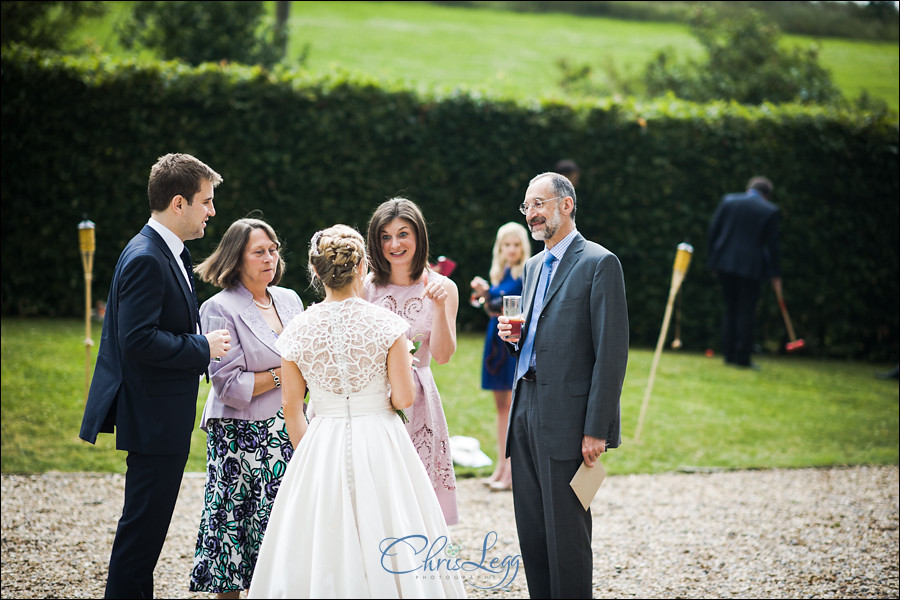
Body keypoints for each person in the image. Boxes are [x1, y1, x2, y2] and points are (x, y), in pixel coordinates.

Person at [247, 226, 466, 598]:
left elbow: (291, 406)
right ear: (363, 266)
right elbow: (403, 398)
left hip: (321, 438)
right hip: (380, 439)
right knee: (391, 524)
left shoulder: (297, 329)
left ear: (315, 272)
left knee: (320, 538)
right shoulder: (388, 325)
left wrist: (309, 457)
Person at [79, 153, 230, 599]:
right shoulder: (147, 256)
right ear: (178, 202)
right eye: (206, 201)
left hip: (161, 416)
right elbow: (138, 341)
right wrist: (203, 347)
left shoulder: (166, 250)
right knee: (141, 536)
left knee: (145, 533)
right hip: (153, 418)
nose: (212, 211)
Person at [497, 171, 629, 598]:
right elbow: (546, 335)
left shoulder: (600, 262)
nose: (532, 214)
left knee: (568, 535)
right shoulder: (533, 266)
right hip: (525, 407)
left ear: (566, 205)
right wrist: (517, 340)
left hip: (570, 420)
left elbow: (611, 354)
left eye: (539, 204)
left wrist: (597, 428)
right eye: (527, 206)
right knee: (533, 533)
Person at [188, 218, 304, 598]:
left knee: (283, 525)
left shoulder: (290, 299)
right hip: (239, 436)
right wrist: (284, 374)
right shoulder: (218, 307)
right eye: (259, 252)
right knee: (236, 531)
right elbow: (230, 384)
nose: (269, 258)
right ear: (237, 259)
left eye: (273, 250)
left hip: (287, 427)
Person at [364, 197, 460, 525]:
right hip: (376, 398)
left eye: (403, 234)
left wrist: (442, 308)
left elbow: (445, 356)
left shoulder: (443, 286)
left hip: (420, 399)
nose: (395, 244)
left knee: (419, 498)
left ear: (418, 236)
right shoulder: (365, 288)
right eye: (386, 236)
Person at [469, 221, 531, 492]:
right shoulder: (500, 273)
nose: (511, 249)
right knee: (500, 408)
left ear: (523, 247)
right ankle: (501, 465)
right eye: (507, 244)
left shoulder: (526, 273)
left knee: (513, 407)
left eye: (516, 244)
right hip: (494, 339)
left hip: (511, 342)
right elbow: (494, 307)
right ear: (500, 247)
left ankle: (512, 471)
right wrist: (484, 293)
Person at [706, 176, 781, 369]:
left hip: (724, 264)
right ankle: (742, 358)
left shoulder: (728, 201)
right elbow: (773, 246)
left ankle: (728, 355)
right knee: (746, 312)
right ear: (767, 195)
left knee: (730, 309)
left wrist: (712, 261)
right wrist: (775, 274)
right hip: (750, 269)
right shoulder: (769, 210)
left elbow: (713, 231)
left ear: (749, 188)